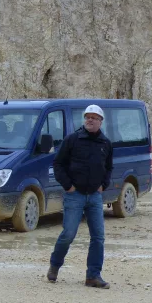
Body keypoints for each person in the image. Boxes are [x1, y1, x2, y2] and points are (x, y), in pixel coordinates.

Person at [48, 104, 114, 288]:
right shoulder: (72, 140)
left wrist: (103, 185)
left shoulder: (105, 143)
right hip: (74, 195)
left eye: (94, 117)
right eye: (87, 117)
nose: (90, 120)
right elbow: (58, 164)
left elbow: (109, 167)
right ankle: (55, 265)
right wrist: (68, 186)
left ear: (101, 121)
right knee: (68, 233)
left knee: (98, 237)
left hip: (94, 196)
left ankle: (93, 276)